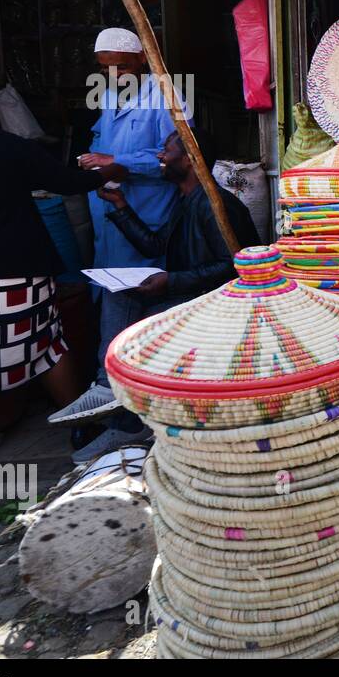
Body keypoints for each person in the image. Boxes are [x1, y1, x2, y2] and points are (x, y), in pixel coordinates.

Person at [0, 56, 119, 462]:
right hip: (20, 278)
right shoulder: (6, 146)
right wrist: (109, 170)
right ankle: (82, 431)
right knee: (47, 347)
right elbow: (69, 182)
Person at [67, 129, 258, 464]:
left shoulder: (216, 204)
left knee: (141, 329)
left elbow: (234, 266)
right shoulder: (187, 199)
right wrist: (121, 206)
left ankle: (128, 422)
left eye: (167, 151)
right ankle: (108, 388)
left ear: (189, 159)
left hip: (212, 301)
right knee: (118, 296)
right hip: (188, 293)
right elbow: (156, 247)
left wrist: (170, 281)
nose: (160, 157)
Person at [52, 27, 184, 431]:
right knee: (111, 298)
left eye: (122, 66)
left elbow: (178, 156)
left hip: (145, 212)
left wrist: (117, 160)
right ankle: (113, 398)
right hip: (110, 212)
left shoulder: (167, 94)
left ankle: (133, 405)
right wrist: (94, 162)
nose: (114, 73)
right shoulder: (109, 95)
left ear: (142, 59)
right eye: (106, 67)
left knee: (138, 307)